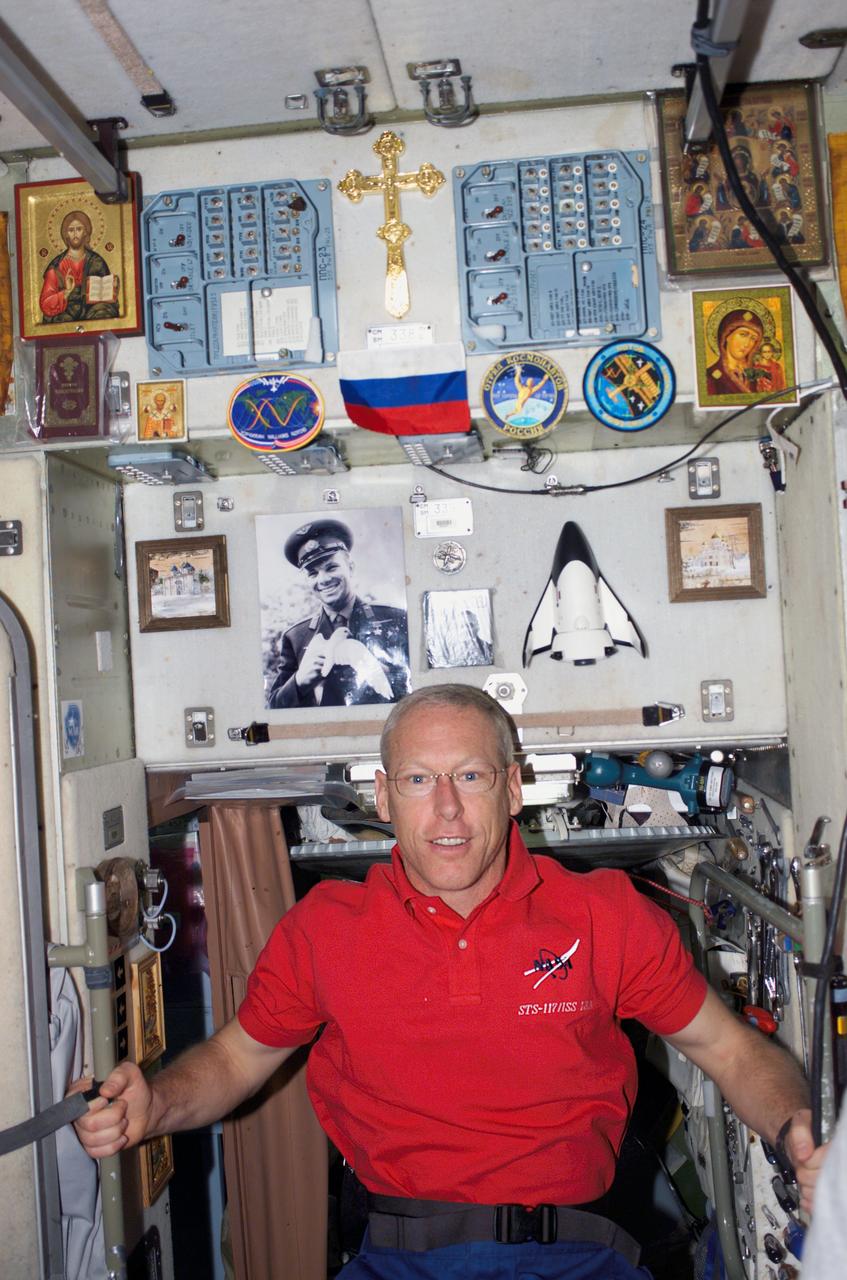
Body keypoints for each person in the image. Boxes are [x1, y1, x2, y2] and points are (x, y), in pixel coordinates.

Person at [74, 684, 828, 1279]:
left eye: (468, 776)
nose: (445, 809)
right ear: (381, 797)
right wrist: (156, 1106)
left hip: (580, 1255)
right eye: (417, 779)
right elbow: (240, 1058)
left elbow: (730, 1053)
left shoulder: (606, 916)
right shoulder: (326, 929)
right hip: (400, 1258)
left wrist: (792, 1127)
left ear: (510, 788)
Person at [266, 518, 411, 708]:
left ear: (350, 568)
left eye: (331, 567)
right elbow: (274, 707)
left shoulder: (396, 619)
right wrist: (299, 682)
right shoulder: (295, 637)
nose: (323, 579)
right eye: (313, 573)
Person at [39, 210, 119, 324]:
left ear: (86, 232)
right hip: (66, 313)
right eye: (71, 230)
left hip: (92, 310)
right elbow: (45, 304)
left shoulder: (97, 261)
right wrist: (67, 292)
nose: (75, 234)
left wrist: (112, 289)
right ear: (66, 234)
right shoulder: (56, 267)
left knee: (103, 312)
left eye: (79, 229)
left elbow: (106, 297)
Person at [705, 308, 765, 397]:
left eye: (753, 339)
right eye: (743, 334)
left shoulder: (755, 376)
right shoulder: (711, 376)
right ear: (727, 335)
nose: (747, 344)